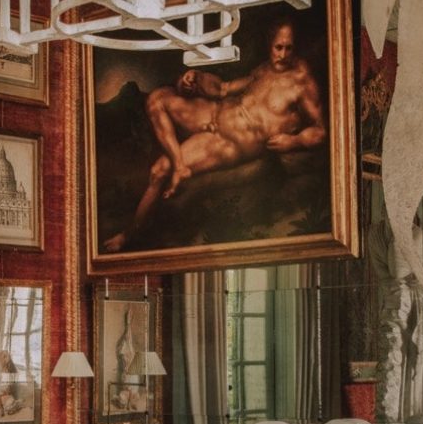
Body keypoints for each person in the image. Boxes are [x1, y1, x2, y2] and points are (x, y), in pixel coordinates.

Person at [105, 17, 326, 252]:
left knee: (158, 170)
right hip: (215, 112)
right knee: (157, 99)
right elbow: (224, 89)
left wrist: (295, 140)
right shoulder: (263, 69)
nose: (282, 55)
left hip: (227, 142)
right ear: (269, 44)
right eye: (278, 47)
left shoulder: (302, 84)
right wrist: (193, 79)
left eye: (288, 48)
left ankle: (126, 236)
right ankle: (180, 165)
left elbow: (321, 131)